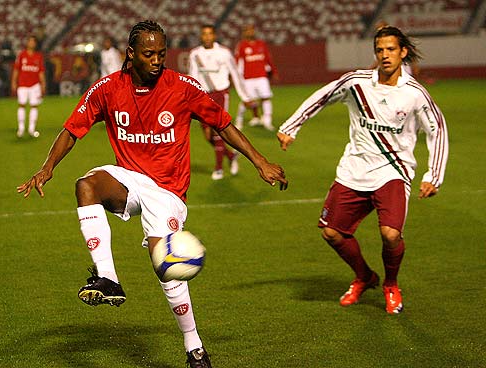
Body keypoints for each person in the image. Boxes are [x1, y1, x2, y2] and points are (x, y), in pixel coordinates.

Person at [17, 20, 287, 367]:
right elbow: (72, 129)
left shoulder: (183, 87)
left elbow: (223, 123)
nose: (157, 60)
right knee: (86, 185)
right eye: (148, 54)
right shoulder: (107, 88)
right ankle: (108, 279)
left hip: (168, 192)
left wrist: (260, 161)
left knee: (165, 267)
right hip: (129, 179)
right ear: (131, 54)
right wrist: (47, 166)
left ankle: (194, 346)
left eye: (161, 53)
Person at [277, 26, 448, 315]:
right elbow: (323, 96)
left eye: (391, 49)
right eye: (380, 50)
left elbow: (437, 129)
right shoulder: (357, 82)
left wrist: (433, 175)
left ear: (403, 52)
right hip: (354, 170)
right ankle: (365, 276)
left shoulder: (415, 93)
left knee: (391, 234)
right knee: (332, 233)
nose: (385, 55)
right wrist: (291, 127)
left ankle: (391, 285)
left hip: (393, 171)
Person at [189, 24, 252, 180]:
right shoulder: (195, 54)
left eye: (210, 33)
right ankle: (231, 156)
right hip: (202, 96)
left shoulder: (224, 53)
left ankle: (218, 169)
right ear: (201, 36)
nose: (207, 36)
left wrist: (245, 96)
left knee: (217, 131)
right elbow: (192, 76)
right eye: (204, 34)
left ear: (214, 35)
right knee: (207, 135)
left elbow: (235, 74)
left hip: (220, 94)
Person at [234, 24, 278, 131]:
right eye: (247, 30)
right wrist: (236, 76)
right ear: (244, 33)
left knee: (266, 97)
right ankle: (239, 120)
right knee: (247, 100)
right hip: (248, 78)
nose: (250, 32)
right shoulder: (242, 46)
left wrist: (274, 71)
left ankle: (267, 121)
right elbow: (236, 61)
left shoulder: (261, 44)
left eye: (252, 30)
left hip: (261, 76)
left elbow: (268, 58)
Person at [11, 35, 46, 138]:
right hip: (23, 84)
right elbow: (16, 69)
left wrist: (43, 83)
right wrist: (13, 82)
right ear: (27, 43)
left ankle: (32, 129)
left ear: (35, 44)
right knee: (21, 105)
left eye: (33, 41)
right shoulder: (21, 55)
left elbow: (40, 71)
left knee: (34, 106)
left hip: (35, 85)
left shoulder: (38, 56)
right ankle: (21, 129)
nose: (31, 43)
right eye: (29, 41)